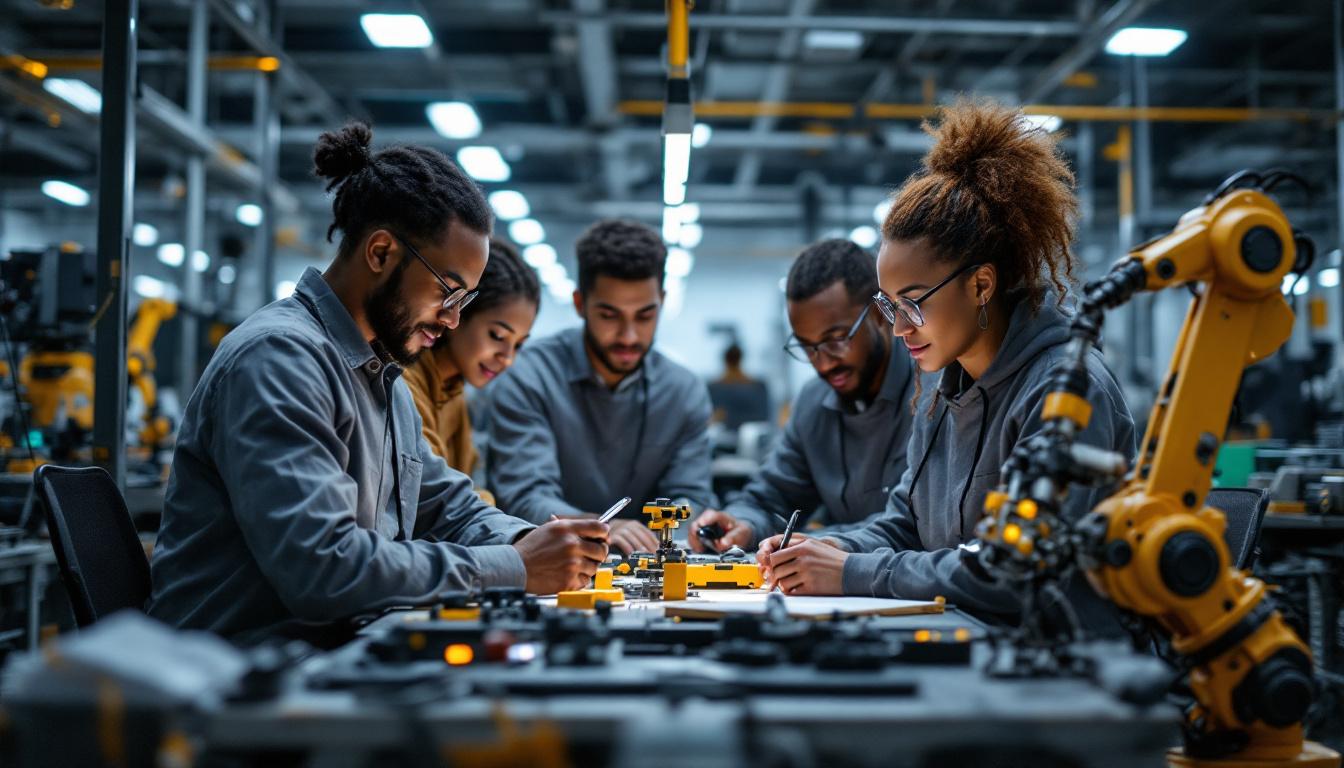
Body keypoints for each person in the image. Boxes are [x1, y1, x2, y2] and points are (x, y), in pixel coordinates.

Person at [148, 122, 607, 645]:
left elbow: (446, 505)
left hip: (320, 654)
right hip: (236, 676)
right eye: (448, 293)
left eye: (464, 304)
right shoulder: (279, 360)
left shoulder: (379, 375)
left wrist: (533, 541)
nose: (453, 321)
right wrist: (513, 566)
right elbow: (326, 570)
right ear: (382, 252)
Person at [758, 100, 1135, 632]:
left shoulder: (1066, 394)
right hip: (971, 642)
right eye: (889, 307)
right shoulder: (940, 391)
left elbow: (1012, 571)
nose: (897, 328)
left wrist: (852, 571)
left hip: (1063, 669)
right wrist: (826, 549)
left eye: (912, 303)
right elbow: (904, 524)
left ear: (980, 285)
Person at [487, 219, 715, 555]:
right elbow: (524, 495)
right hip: (551, 560)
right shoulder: (527, 376)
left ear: (662, 301)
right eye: (609, 315)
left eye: (644, 316)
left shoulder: (683, 391)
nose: (628, 336)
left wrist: (672, 532)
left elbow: (692, 497)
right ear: (580, 304)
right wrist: (598, 526)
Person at [690, 238, 915, 552]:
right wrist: (743, 523)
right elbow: (772, 498)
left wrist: (825, 543)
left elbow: (910, 524)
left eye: (836, 340)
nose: (821, 362)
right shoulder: (813, 403)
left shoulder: (934, 394)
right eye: (806, 346)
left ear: (879, 314)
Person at [402, 237, 539, 497]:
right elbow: (439, 498)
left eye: (518, 345)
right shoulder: (405, 381)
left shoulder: (453, 392)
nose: (507, 358)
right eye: (497, 336)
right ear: (459, 313)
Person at [707, 343, 770, 429]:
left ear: (725, 361)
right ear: (740, 359)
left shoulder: (713, 388)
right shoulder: (758, 387)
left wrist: (723, 417)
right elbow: (764, 417)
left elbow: (710, 419)